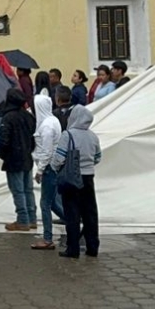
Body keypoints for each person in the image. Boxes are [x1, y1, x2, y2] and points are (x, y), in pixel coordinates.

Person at [52, 105, 102, 259]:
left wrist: (56, 169)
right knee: (90, 214)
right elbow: (98, 158)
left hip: (72, 179)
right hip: (88, 178)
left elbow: (58, 159)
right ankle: (92, 246)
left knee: (72, 214)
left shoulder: (68, 135)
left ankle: (72, 248)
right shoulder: (93, 136)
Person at [0, 88, 37, 231]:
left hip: (13, 159)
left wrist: (3, 155)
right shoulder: (28, 116)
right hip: (27, 156)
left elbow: (4, 140)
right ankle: (32, 218)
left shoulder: (8, 117)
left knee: (18, 190)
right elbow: (33, 137)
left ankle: (22, 220)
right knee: (28, 189)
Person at [31, 94, 65, 250]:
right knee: (51, 202)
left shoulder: (46, 127)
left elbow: (46, 151)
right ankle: (72, 221)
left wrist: (39, 170)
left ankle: (47, 238)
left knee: (45, 203)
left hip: (49, 168)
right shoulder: (53, 120)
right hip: (53, 166)